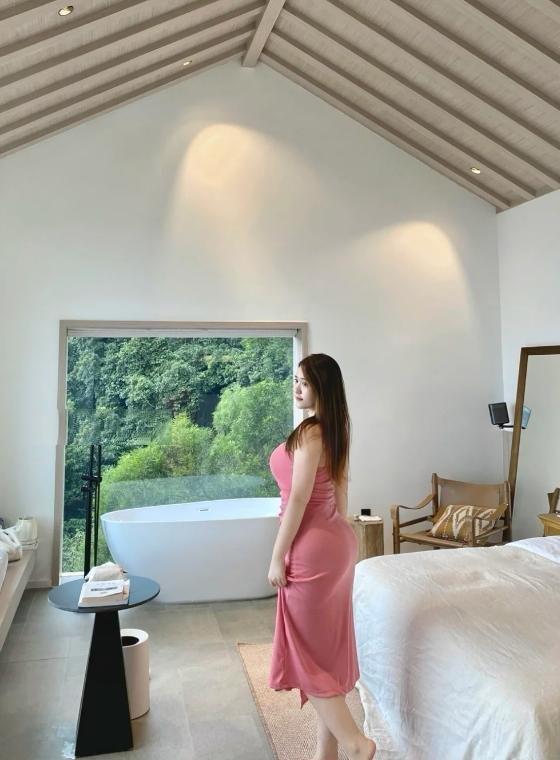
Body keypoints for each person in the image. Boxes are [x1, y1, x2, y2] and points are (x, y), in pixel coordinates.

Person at [267, 353, 376, 760]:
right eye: (295, 380)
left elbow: (298, 498)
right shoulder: (334, 430)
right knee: (324, 653)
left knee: (305, 652)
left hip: (311, 548)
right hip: (334, 543)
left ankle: (356, 744)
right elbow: (340, 491)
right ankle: (325, 752)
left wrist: (278, 556)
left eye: (305, 382)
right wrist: (339, 532)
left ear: (322, 388)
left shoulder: (311, 432)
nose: (297, 388)